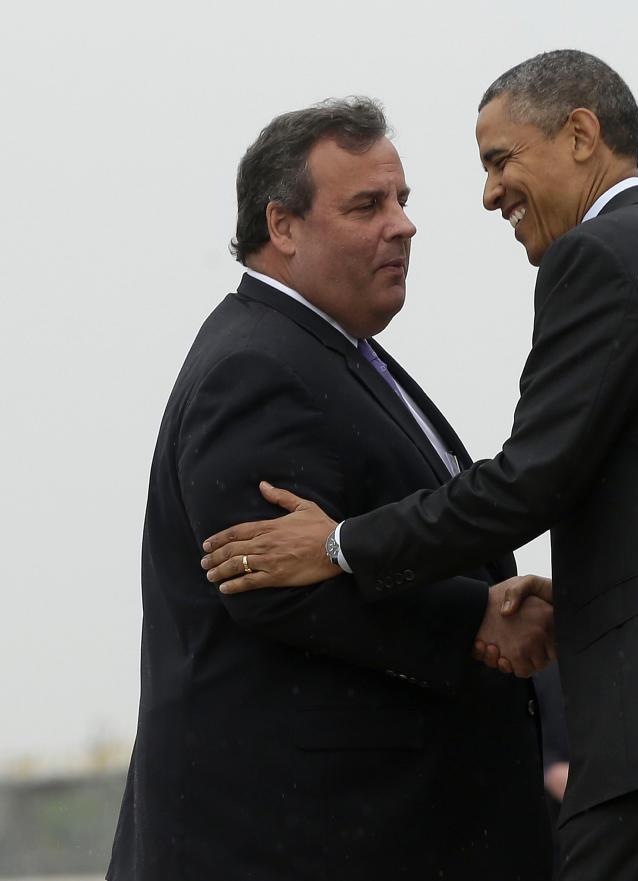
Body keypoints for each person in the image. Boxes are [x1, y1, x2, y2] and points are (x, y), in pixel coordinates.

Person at [200, 53, 638, 880]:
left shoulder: (599, 257)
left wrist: (337, 545)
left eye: (501, 160)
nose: (489, 193)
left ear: (581, 136)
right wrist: (582, 602)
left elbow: (529, 480)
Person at [108, 97, 555, 881]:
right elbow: (266, 585)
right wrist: (473, 618)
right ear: (282, 226)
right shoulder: (259, 366)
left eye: (403, 201)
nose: (403, 225)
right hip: (298, 841)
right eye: (366, 206)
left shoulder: (329, 354)